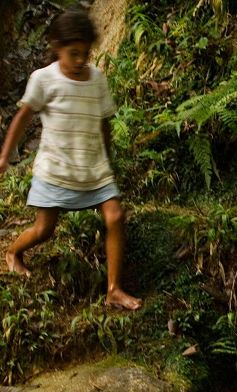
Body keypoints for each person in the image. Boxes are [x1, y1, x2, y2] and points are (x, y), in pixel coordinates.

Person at [0, 8, 141, 311]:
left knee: (115, 217)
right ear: (56, 47)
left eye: (85, 54)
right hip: (56, 170)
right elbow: (23, 117)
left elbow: (104, 121)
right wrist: (4, 157)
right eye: (73, 53)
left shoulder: (98, 79)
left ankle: (114, 289)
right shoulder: (44, 79)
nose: (80, 60)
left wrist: (108, 159)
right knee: (44, 229)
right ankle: (12, 253)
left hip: (94, 167)